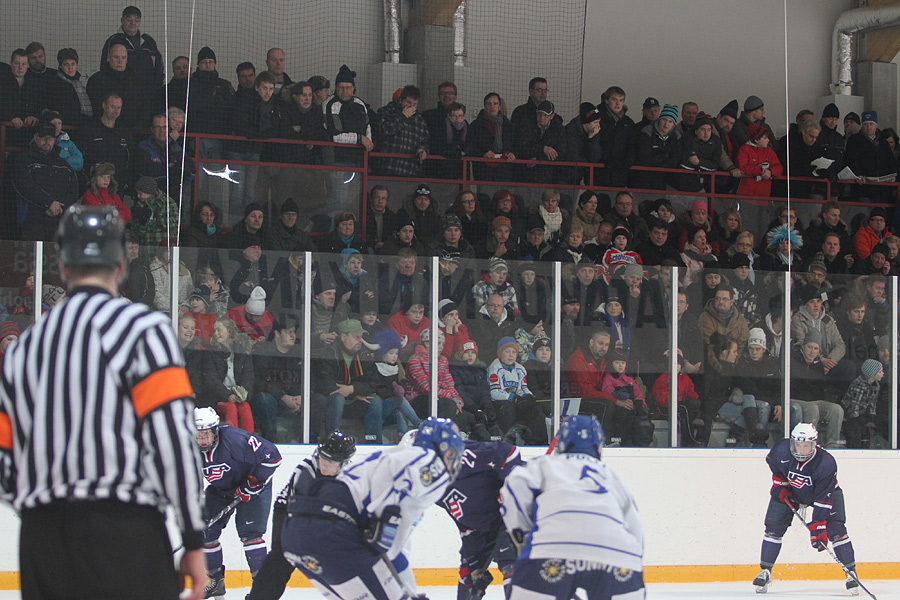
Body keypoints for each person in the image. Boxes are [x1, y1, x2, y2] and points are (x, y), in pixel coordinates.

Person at [0, 205, 206, 600]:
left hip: (42, 541)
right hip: (124, 531)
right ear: (121, 266)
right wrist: (193, 539)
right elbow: (173, 443)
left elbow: (5, 462)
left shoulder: (23, 348)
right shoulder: (143, 330)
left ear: (62, 267)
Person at [281, 417, 464, 600]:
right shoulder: (430, 461)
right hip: (333, 531)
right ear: (442, 447)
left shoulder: (386, 457)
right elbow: (389, 534)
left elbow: (395, 547)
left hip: (296, 534)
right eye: (451, 454)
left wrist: (409, 591)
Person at [501, 415, 645, 600]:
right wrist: (631, 564)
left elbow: (513, 490)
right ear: (599, 445)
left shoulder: (544, 465)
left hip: (550, 552)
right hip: (617, 557)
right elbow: (635, 526)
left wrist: (523, 536)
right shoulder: (609, 475)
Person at [246, 431, 356, 600]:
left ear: (344, 462)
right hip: (289, 511)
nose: (324, 464)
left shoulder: (352, 477)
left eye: (331, 462)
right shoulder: (305, 470)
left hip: (323, 516)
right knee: (281, 558)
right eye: (322, 458)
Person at [752, 423, 859, 594]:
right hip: (792, 491)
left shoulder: (826, 463)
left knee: (836, 529)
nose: (801, 450)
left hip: (825, 494)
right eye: (798, 445)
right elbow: (774, 465)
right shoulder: (781, 450)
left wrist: (818, 526)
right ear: (792, 443)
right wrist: (781, 484)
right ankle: (765, 571)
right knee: (773, 527)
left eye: (806, 445)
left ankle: (851, 572)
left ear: (814, 444)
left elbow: (823, 500)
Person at [194, 406, 283, 598]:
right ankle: (216, 582)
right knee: (206, 532)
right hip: (221, 489)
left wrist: (253, 484)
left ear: (216, 431)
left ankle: (262, 589)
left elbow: (273, 456)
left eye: (206, 434)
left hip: (252, 486)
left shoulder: (235, 439)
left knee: (250, 535)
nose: (202, 440)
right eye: (198, 435)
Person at [438, 438, 524, 600]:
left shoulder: (458, 455)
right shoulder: (431, 489)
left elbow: (508, 453)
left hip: (516, 508)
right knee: (468, 573)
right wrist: (472, 555)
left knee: (508, 560)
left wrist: (512, 491)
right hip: (490, 523)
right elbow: (464, 520)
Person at [15, 122, 79, 241]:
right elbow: (25, 186)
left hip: (60, 220)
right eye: (43, 138)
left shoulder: (64, 164)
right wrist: (49, 203)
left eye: (50, 138)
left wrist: (59, 204)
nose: (47, 141)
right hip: (32, 221)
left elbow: (74, 190)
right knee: (33, 258)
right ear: (35, 137)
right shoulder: (23, 160)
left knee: (57, 258)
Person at [375, 84, 429, 177]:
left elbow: (425, 140)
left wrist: (423, 149)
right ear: (400, 100)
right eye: (408, 102)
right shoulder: (386, 112)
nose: (411, 106)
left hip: (409, 169)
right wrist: (402, 117)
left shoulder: (419, 119)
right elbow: (384, 131)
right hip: (386, 166)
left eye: (415, 104)